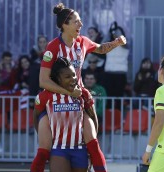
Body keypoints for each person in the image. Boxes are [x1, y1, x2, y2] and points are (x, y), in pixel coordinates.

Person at [31, 3, 126, 172]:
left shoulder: (82, 42)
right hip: (56, 99)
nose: (81, 25)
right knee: (43, 149)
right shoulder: (53, 47)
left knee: (94, 142)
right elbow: (43, 81)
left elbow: (101, 49)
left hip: (79, 98)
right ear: (64, 25)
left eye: (80, 21)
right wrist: (68, 91)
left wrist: (116, 42)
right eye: (76, 21)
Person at [33, 58, 89, 172]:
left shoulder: (82, 93)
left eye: (74, 75)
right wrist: (44, 137)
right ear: (58, 79)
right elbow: (36, 116)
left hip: (80, 149)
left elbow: (92, 118)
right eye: (67, 77)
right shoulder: (45, 96)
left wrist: (92, 149)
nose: (73, 79)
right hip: (59, 149)